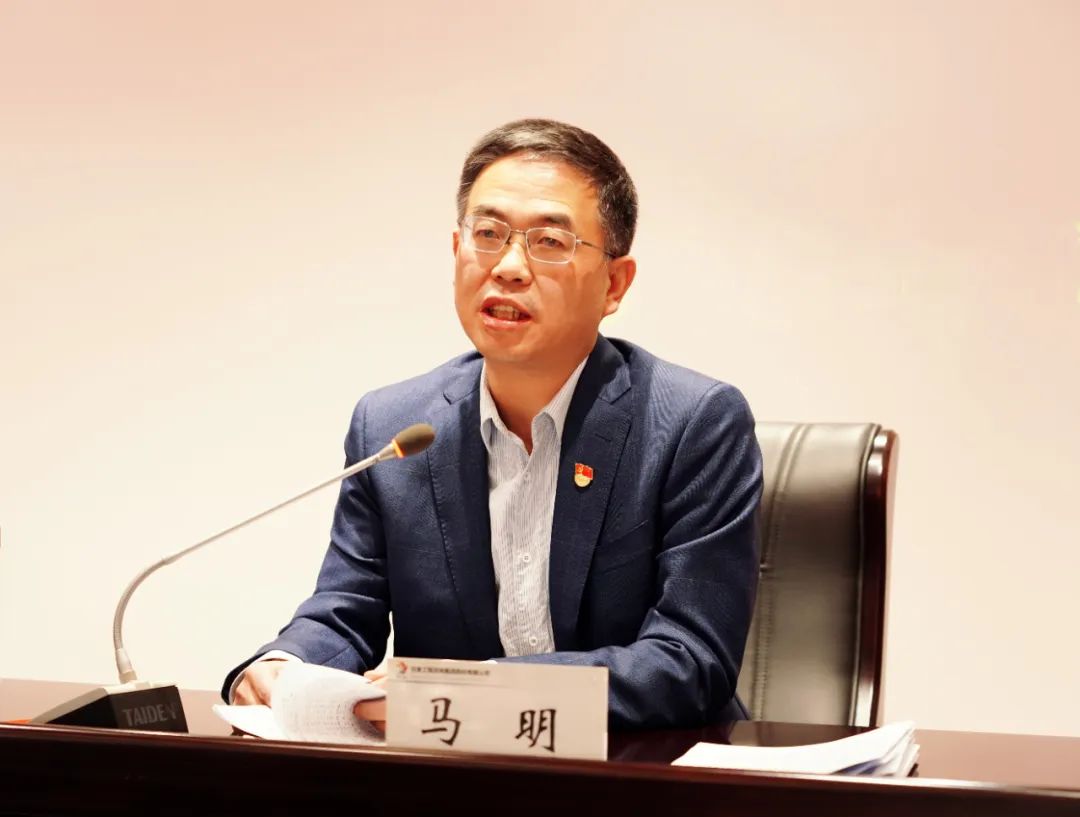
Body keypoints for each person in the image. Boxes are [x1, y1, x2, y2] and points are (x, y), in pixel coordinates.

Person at [224, 119, 763, 730]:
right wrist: (283, 665)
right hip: (461, 769)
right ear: (457, 252)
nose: (508, 267)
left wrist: (474, 691)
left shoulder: (692, 423)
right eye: (487, 234)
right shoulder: (394, 427)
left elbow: (690, 659)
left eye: (550, 242)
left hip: (641, 766)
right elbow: (346, 609)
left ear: (614, 284)